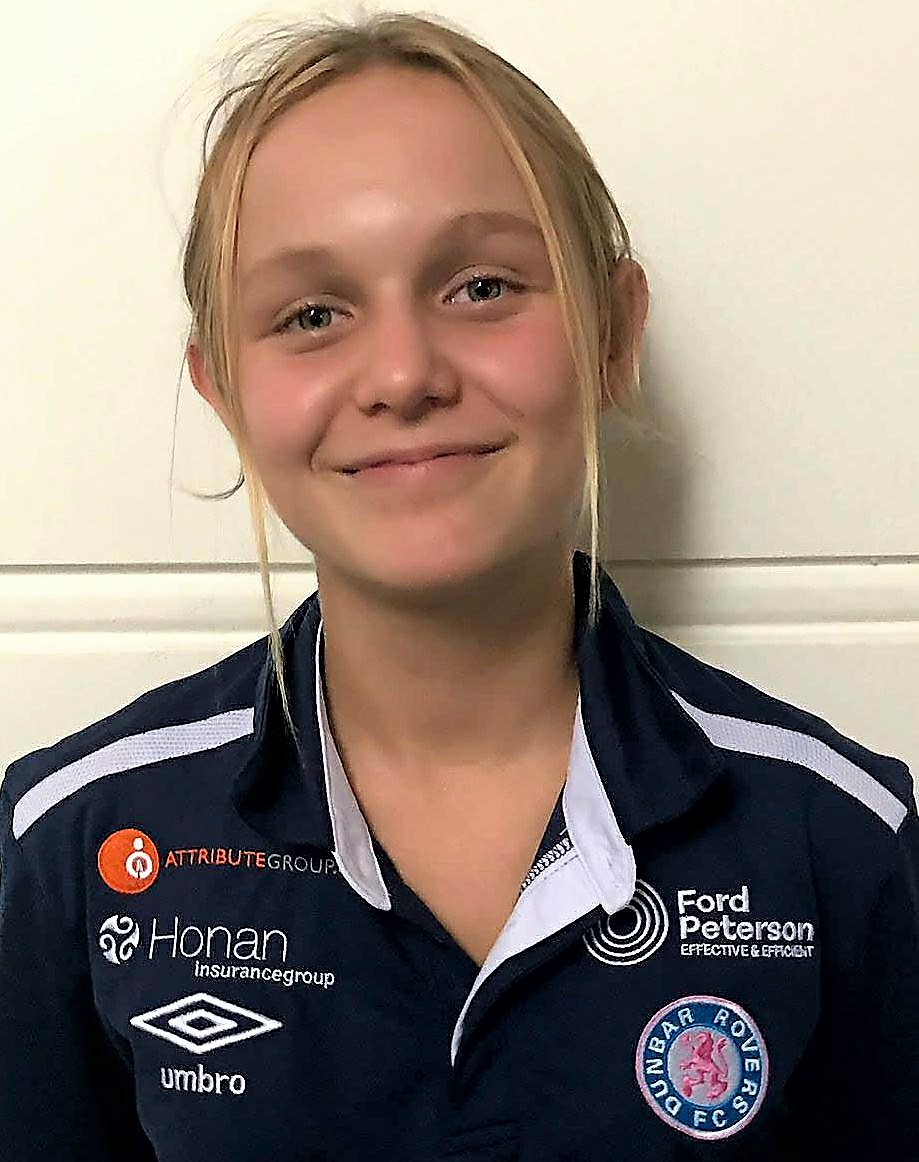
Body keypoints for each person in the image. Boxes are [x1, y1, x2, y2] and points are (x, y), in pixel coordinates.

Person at [1, 10, 916, 1161]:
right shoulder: (76, 841)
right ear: (223, 390)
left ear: (615, 333)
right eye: (311, 314)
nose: (402, 374)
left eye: (482, 286)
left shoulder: (837, 837)